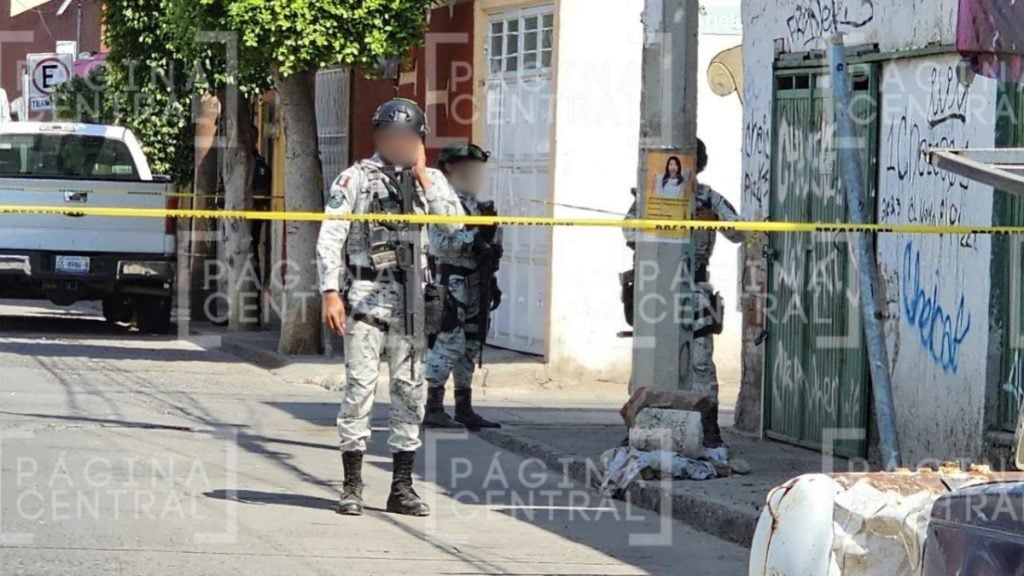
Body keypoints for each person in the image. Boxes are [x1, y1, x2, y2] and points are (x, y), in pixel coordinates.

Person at [317, 98, 464, 517]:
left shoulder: (429, 180)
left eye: (410, 137)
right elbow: (332, 234)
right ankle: (352, 484)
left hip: (414, 298)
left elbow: (454, 227)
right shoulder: (356, 179)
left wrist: (422, 175)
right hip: (366, 295)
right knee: (360, 388)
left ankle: (402, 486)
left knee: (410, 390)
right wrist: (330, 290)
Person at [623, 139, 743, 447]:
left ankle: (710, 429)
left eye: (688, 162)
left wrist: (713, 219)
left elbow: (741, 231)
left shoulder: (708, 197)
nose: (680, 168)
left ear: (698, 165)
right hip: (656, 285)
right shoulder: (652, 193)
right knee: (648, 358)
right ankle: (639, 426)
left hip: (697, 286)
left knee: (701, 362)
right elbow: (629, 231)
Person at [423, 143, 503, 431]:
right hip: (449, 282)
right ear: (451, 169)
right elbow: (440, 245)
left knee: (470, 345)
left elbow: (492, 242)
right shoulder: (442, 202)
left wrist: (491, 273)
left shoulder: (476, 202)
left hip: (475, 282)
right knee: (448, 343)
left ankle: (464, 408)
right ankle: (432, 407)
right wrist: (474, 239)